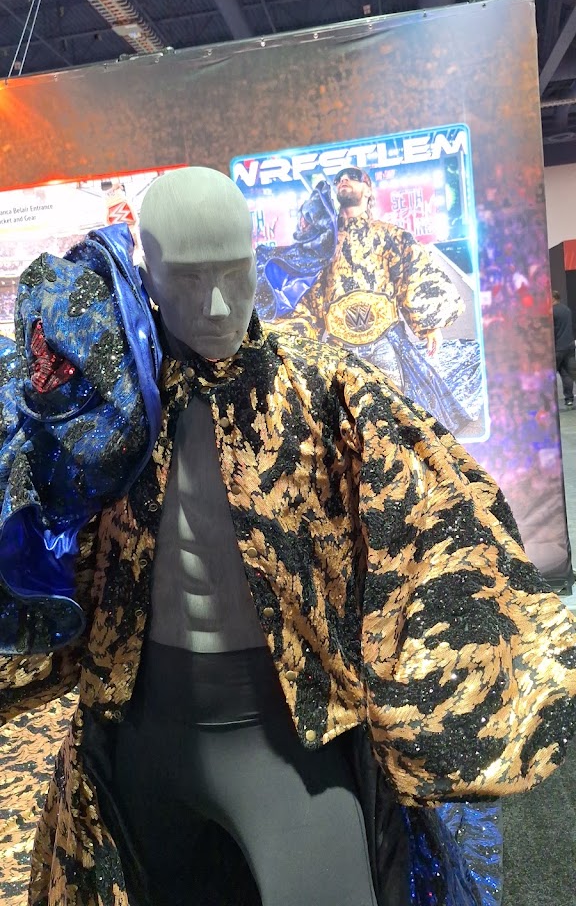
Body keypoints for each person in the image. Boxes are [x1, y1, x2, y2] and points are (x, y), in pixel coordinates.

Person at [1, 167, 576, 906]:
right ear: (148, 275)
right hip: (138, 737)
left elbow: (437, 514)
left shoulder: (322, 387)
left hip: (287, 737)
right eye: (189, 278)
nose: (217, 304)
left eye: (233, 272)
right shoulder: (107, 411)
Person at [257, 167, 480, 433]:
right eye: (339, 179)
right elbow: (309, 298)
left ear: (368, 189)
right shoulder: (322, 245)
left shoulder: (390, 236)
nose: (344, 180)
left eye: (352, 177)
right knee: (353, 421)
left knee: (398, 415)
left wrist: (430, 323)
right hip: (342, 349)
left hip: (385, 341)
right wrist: (294, 339)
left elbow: (412, 270)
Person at [552, 289, 575, 407]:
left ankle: (550, 400)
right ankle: (569, 399)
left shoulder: (551, 312)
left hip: (557, 347)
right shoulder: (567, 310)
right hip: (569, 346)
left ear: (552, 298)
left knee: (550, 375)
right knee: (567, 374)